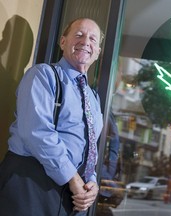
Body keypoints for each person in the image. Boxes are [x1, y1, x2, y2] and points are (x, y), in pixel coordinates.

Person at [0, 18, 104, 216]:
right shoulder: (42, 75)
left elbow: (90, 146)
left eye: (93, 38)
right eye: (79, 35)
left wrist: (91, 180)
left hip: (72, 194)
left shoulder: (94, 97)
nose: (86, 42)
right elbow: (36, 132)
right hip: (29, 182)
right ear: (63, 42)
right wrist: (73, 179)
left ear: (98, 52)